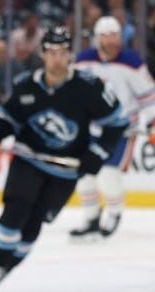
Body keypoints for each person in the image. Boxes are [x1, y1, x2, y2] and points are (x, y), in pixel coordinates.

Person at [0, 26, 127, 292]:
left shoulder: (88, 87)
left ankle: (6, 268)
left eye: (62, 52)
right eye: (51, 52)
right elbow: (7, 122)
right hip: (28, 160)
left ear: (70, 55)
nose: (57, 58)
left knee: (34, 223)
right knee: (15, 211)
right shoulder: (26, 86)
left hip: (65, 170)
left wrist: (97, 153)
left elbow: (117, 122)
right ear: (42, 54)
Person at [68, 16, 155, 240]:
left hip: (122, 130)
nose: (110, 41)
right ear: (97, 39)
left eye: (114, 36)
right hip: (91, 129)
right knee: (84, 174)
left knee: (108, 174)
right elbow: (72, 93)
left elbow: (149, 97)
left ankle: (114, 213)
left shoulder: (132, 62)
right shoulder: (83, 61)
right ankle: (91, 218)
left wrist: (153, 122)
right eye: (105, 36)